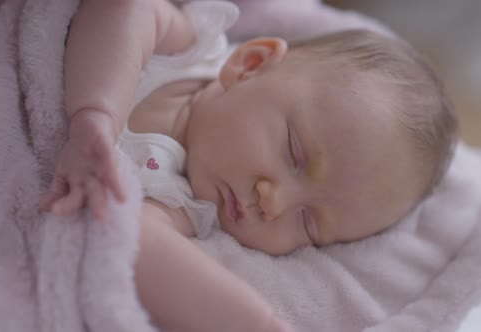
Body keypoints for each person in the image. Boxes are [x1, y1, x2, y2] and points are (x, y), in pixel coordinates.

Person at [39, 0, 457, 331]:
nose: (272, 203)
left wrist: (255, 323)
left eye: (308, 223)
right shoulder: (186, 50)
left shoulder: (181, 204)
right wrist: (95, 115)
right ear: (251, 65)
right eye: (295, 155)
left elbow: (137, 246)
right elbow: (123, 10)